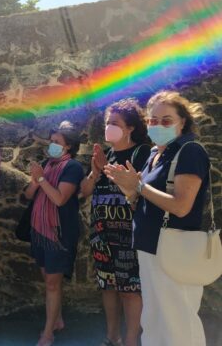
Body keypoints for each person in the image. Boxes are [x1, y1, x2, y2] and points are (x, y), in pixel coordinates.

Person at [104, 91, 210, 346]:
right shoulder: (155, 154)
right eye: (153, 120)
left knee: (177, 324)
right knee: (153, 320)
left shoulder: (189, 152)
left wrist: (138, 186)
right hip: (150, 247)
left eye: (166, 120)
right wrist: (130, 191)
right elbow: (144, 200)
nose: (158, 125)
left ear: (182, 121)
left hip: (174, 250)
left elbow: (181, 206)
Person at [80, 99, 151, 346]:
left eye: (115, 123)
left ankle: (131, 340)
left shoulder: (142, 153)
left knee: (130, 291)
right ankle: (112, 337)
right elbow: (85, 190)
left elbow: (142, 194)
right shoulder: (106, 155)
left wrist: (115, 174)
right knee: (108, 287)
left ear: (130, 127)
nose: (109, 127)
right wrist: (96, 171)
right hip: (102, 234)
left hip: (129, 236)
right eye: (107, 122)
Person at [25, 121, 84, 346]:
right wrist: (35, 180)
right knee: (49, 280)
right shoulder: (46, 164)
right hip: (39, 230)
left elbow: (60, 198)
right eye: (51, 141)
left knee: (52, 283)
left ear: (68, 147)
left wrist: (41, 179)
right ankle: (57, 319)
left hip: (58, 234)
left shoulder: (73, 168)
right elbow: (30, 195)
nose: (52, 145)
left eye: (57, 142)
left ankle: (47, 333)